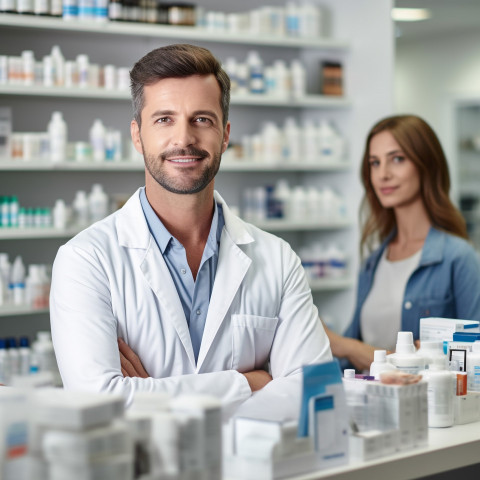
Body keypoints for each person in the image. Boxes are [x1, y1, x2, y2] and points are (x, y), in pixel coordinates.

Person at [49, 44, 332, 419]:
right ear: (137, 135)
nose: (184, 139)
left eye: (202, 119)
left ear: (225, 134)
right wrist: (248, 383)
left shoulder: (277, 259)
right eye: (164, 119)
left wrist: (147, 394)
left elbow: (315, 389)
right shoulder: (86, 260)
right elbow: (99, 404)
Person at [325, 114, 480, 372]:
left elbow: (475, 357)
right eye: (375, 163)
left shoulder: (458, 257)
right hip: (369, 406)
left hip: (429, 408)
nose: (383, 174)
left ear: (426, 164)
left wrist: (346, 346)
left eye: (397, 159)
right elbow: (346, 358)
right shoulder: (373, 262)